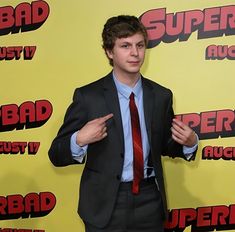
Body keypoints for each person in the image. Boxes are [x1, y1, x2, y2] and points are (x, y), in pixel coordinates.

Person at [48, 15, 198, 232]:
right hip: (105, 204)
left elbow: (166, 145)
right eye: (125, 46)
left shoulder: (161, 96)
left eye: (140, 45)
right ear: (110, 52)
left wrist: (189, 142)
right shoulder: (88, 97)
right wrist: (79, 139)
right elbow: (56, 154)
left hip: (150, 201)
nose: (135, 53)